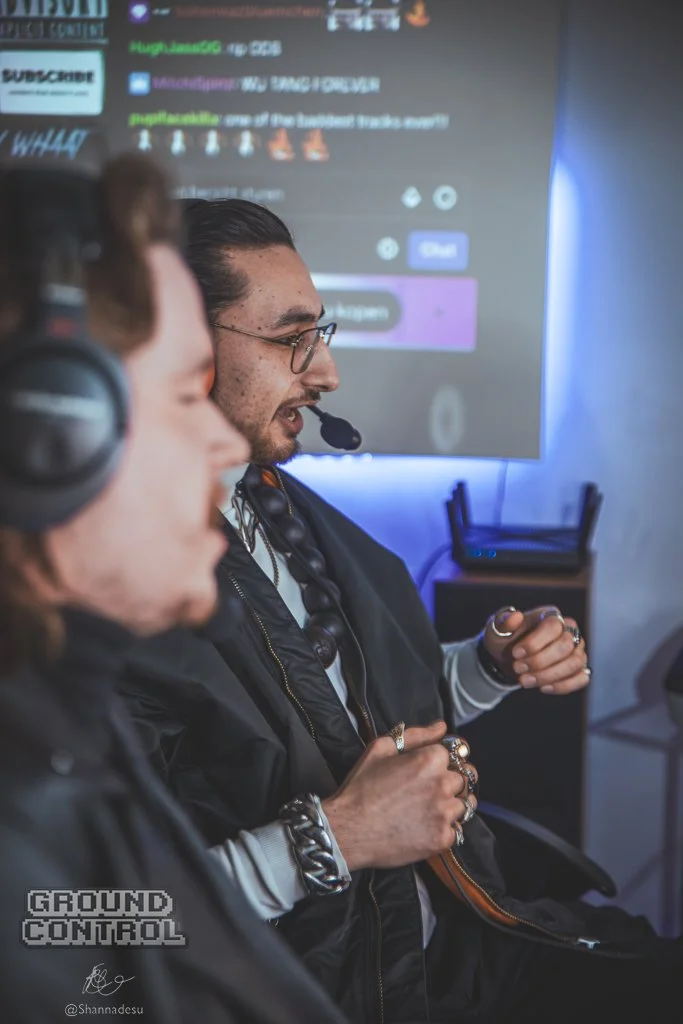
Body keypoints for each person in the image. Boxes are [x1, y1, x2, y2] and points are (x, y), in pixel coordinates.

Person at [119, 197, 680, 1023]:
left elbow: (354, 715)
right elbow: (80, 926)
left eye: (319, 335)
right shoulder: (87, 593)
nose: (324, 374)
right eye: (290, 338)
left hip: (453, 945)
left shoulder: (268, 503)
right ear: (178, 352)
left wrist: (488, 666)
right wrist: (336, 838)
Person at [0, 163, 349, 1024]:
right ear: (52, 435)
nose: (219, 443)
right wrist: (334, 838)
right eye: (183, 392)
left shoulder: (62, 726)